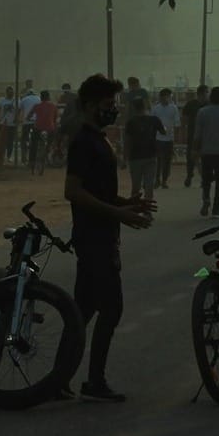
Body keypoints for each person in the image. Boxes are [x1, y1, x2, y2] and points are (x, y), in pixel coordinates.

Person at [63, 74, 156, 403]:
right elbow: (73, 191)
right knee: (111, 309)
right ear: (90, 105)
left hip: (100, 233)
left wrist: (126, 203)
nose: (113, 109)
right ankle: (95, 380)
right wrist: (118, 213)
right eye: (107, 104)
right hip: (94, 236)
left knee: (83, 311)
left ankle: (59, 379)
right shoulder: (83, 142)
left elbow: (98, 192)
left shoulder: (98, 140)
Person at [194, 87, 219, 216]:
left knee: (206, 179)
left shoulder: (202, 112)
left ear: (210, 98)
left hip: (207, 151)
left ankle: (206, 199)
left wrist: (195, 150)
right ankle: (216, 209)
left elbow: (198, 134)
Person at [123, 103, 164, 201]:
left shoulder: (131, 122)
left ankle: (134, 205)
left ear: (134, 109)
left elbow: (127, 141)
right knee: (149, 184)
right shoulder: (154, 119)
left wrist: (125, 158)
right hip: (150, 155)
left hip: (135, 157)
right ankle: (148, 206)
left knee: (136, 185)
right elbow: (163, 132)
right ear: (145, 108)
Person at [151, 89, 180, 188]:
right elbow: (152, 123)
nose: (167, 98)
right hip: (158, 138)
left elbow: (177, 123)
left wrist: (176, 137)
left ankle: (164, 180)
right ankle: (157, 179)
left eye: (168, 96)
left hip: (169, 138)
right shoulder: (156, 109)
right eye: (165, 96)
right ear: (160, 97)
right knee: (158, 160)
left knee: (167, 160)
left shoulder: (174, 108)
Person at [28, 91, 59, 174]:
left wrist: (28, 118)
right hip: (50, 128)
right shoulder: (53, 106)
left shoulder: (36, 106)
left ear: (41, 98)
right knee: (51, 141)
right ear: (48, 97)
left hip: (38, 128)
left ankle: (32, 161)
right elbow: (56, 118)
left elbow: (29, 115)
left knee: (33, 144)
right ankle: (48, 149)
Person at [181, 88, 202, 187]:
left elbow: (184, 119)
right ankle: (190, 175)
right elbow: (184, 119)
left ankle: (201, 177)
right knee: (191, 156)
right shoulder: (190, 104)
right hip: (193, 134)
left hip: (200, 135)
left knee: (199, 157)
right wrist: (184, 131)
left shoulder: (207, 104)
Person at [0, 86, 18, 166]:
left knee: (10, 141)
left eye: (12, 92)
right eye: (9, 92)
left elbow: (19, 110)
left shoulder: (16, 100)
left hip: (12, 124)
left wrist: (16, 119)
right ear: (6, 93)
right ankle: (2, 156)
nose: (11, 93)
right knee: (3, 141)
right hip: (3, 123)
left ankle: (9, 156)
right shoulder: (2, 100)